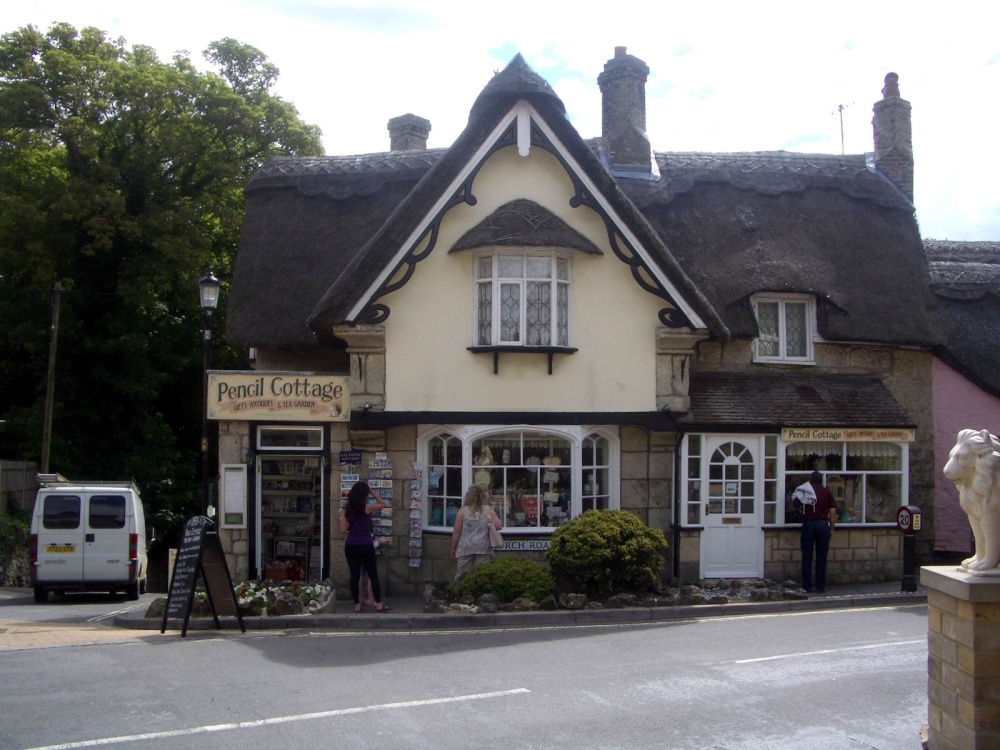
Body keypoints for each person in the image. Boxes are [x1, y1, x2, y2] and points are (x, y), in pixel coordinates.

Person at [339, 481, 390, 613]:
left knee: (354, 576)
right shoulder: (366, 507)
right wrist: (372, 491)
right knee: (373, 575)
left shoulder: (347, 509)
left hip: (351, 546)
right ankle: (378, 604)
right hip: (366, 545)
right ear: (364, 495)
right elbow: (382, 504)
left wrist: (345, 516)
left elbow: (343, 529)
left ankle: (357, 604)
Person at [792, 470, 839, 593]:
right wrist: (832, 529)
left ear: (810, 479)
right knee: (821, 557)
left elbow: (795, 504)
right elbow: (832, 513)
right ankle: (820, 586)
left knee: (807, 556)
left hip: (809, 525)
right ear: (821, 480)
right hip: (823, 525)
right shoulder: (827, 492)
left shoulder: (805, 490)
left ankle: (806, 586)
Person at [450, 485, 503, 579]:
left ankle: (462, 592)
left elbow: (456, 532)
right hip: (483, 547)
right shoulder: (488, 510)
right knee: (482, 575)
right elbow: (499, 525)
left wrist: (453, 548)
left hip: (465, 547)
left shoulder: (462, 511)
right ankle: (479, 593)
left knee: (462, 575)